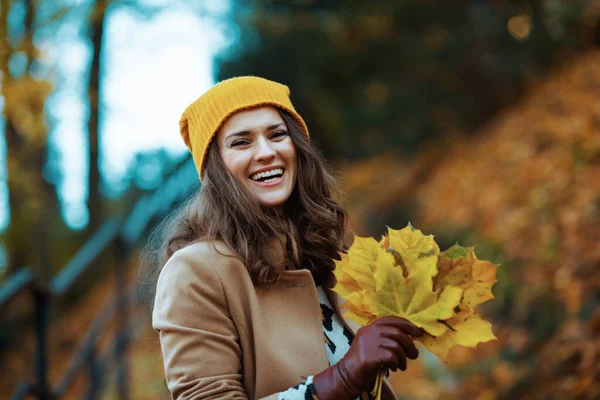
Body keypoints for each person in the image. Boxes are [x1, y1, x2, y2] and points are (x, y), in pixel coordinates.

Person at [146, 76, 424, 400]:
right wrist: (342, 378)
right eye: (241, 142)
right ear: (215, 168)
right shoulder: (196, 271)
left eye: (277, 135)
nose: (266, 152)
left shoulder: (323, 250)